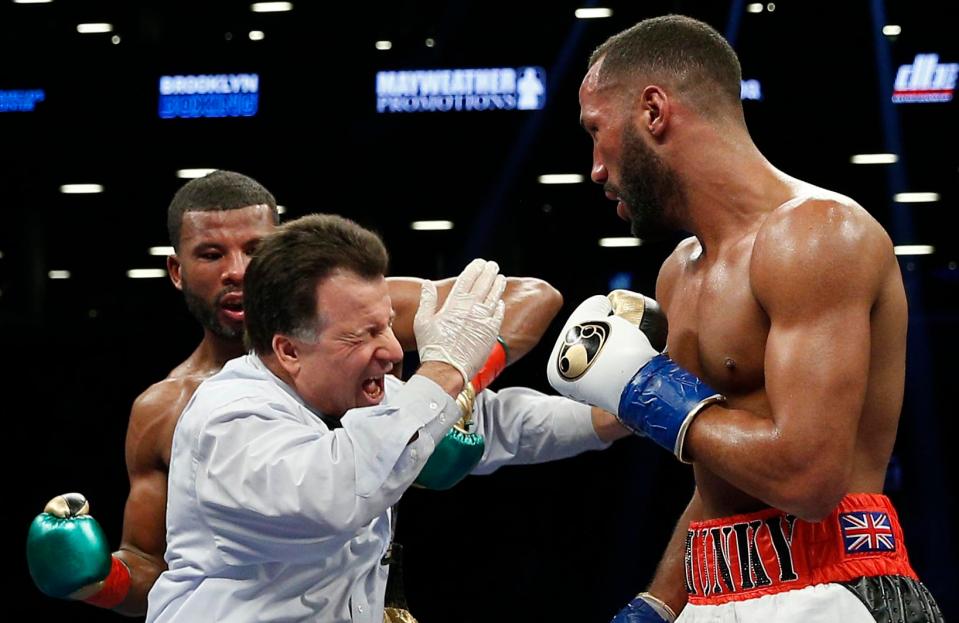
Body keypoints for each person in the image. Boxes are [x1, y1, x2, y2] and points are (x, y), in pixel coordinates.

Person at [25, 170, 572, 617]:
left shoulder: (354, 312)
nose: (237, 272)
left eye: (254, 249)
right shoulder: (169, 408)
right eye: (211, 254)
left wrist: (448, 399)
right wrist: (103, 582)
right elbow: (164, 571)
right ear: (176, 270)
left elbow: (530, 297)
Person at [548, 14, 943, 622]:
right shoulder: (679, 273)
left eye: (596, 130)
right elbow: (721, 486)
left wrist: (644, 391)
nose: (596, 168)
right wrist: (658, 605)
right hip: (715, 594)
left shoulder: (817, 236)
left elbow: (808, 479)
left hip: (832, 593)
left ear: (654, 112)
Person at [143, 214, 624, 622]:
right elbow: (335, 490)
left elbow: (493, 426)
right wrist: (444, 368)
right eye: (363, 334)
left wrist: (622, 409)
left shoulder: (348, 395)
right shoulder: (227, 419)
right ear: (289, 350)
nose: (394, 351)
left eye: (388, 325)